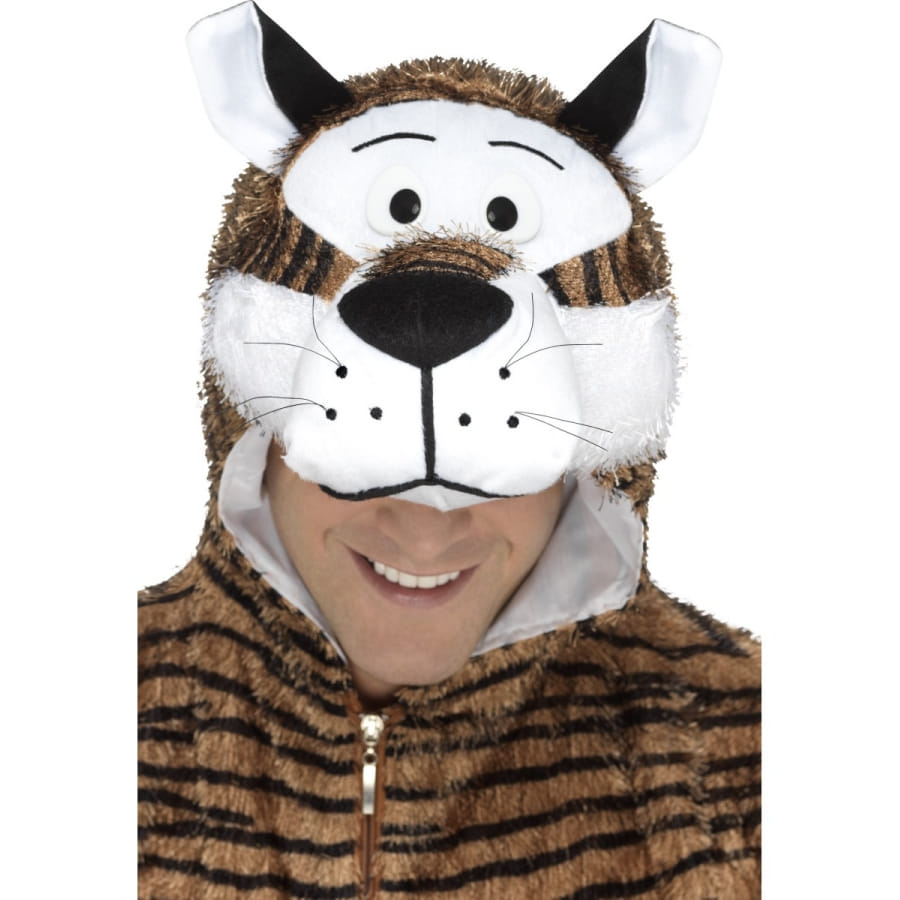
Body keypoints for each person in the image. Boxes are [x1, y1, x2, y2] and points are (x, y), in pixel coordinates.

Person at [139, 4, 760, 897]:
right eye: (361, 444)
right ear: (252, 423)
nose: (425, 525)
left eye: (497, 452)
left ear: (596, 463)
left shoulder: (743, 759)